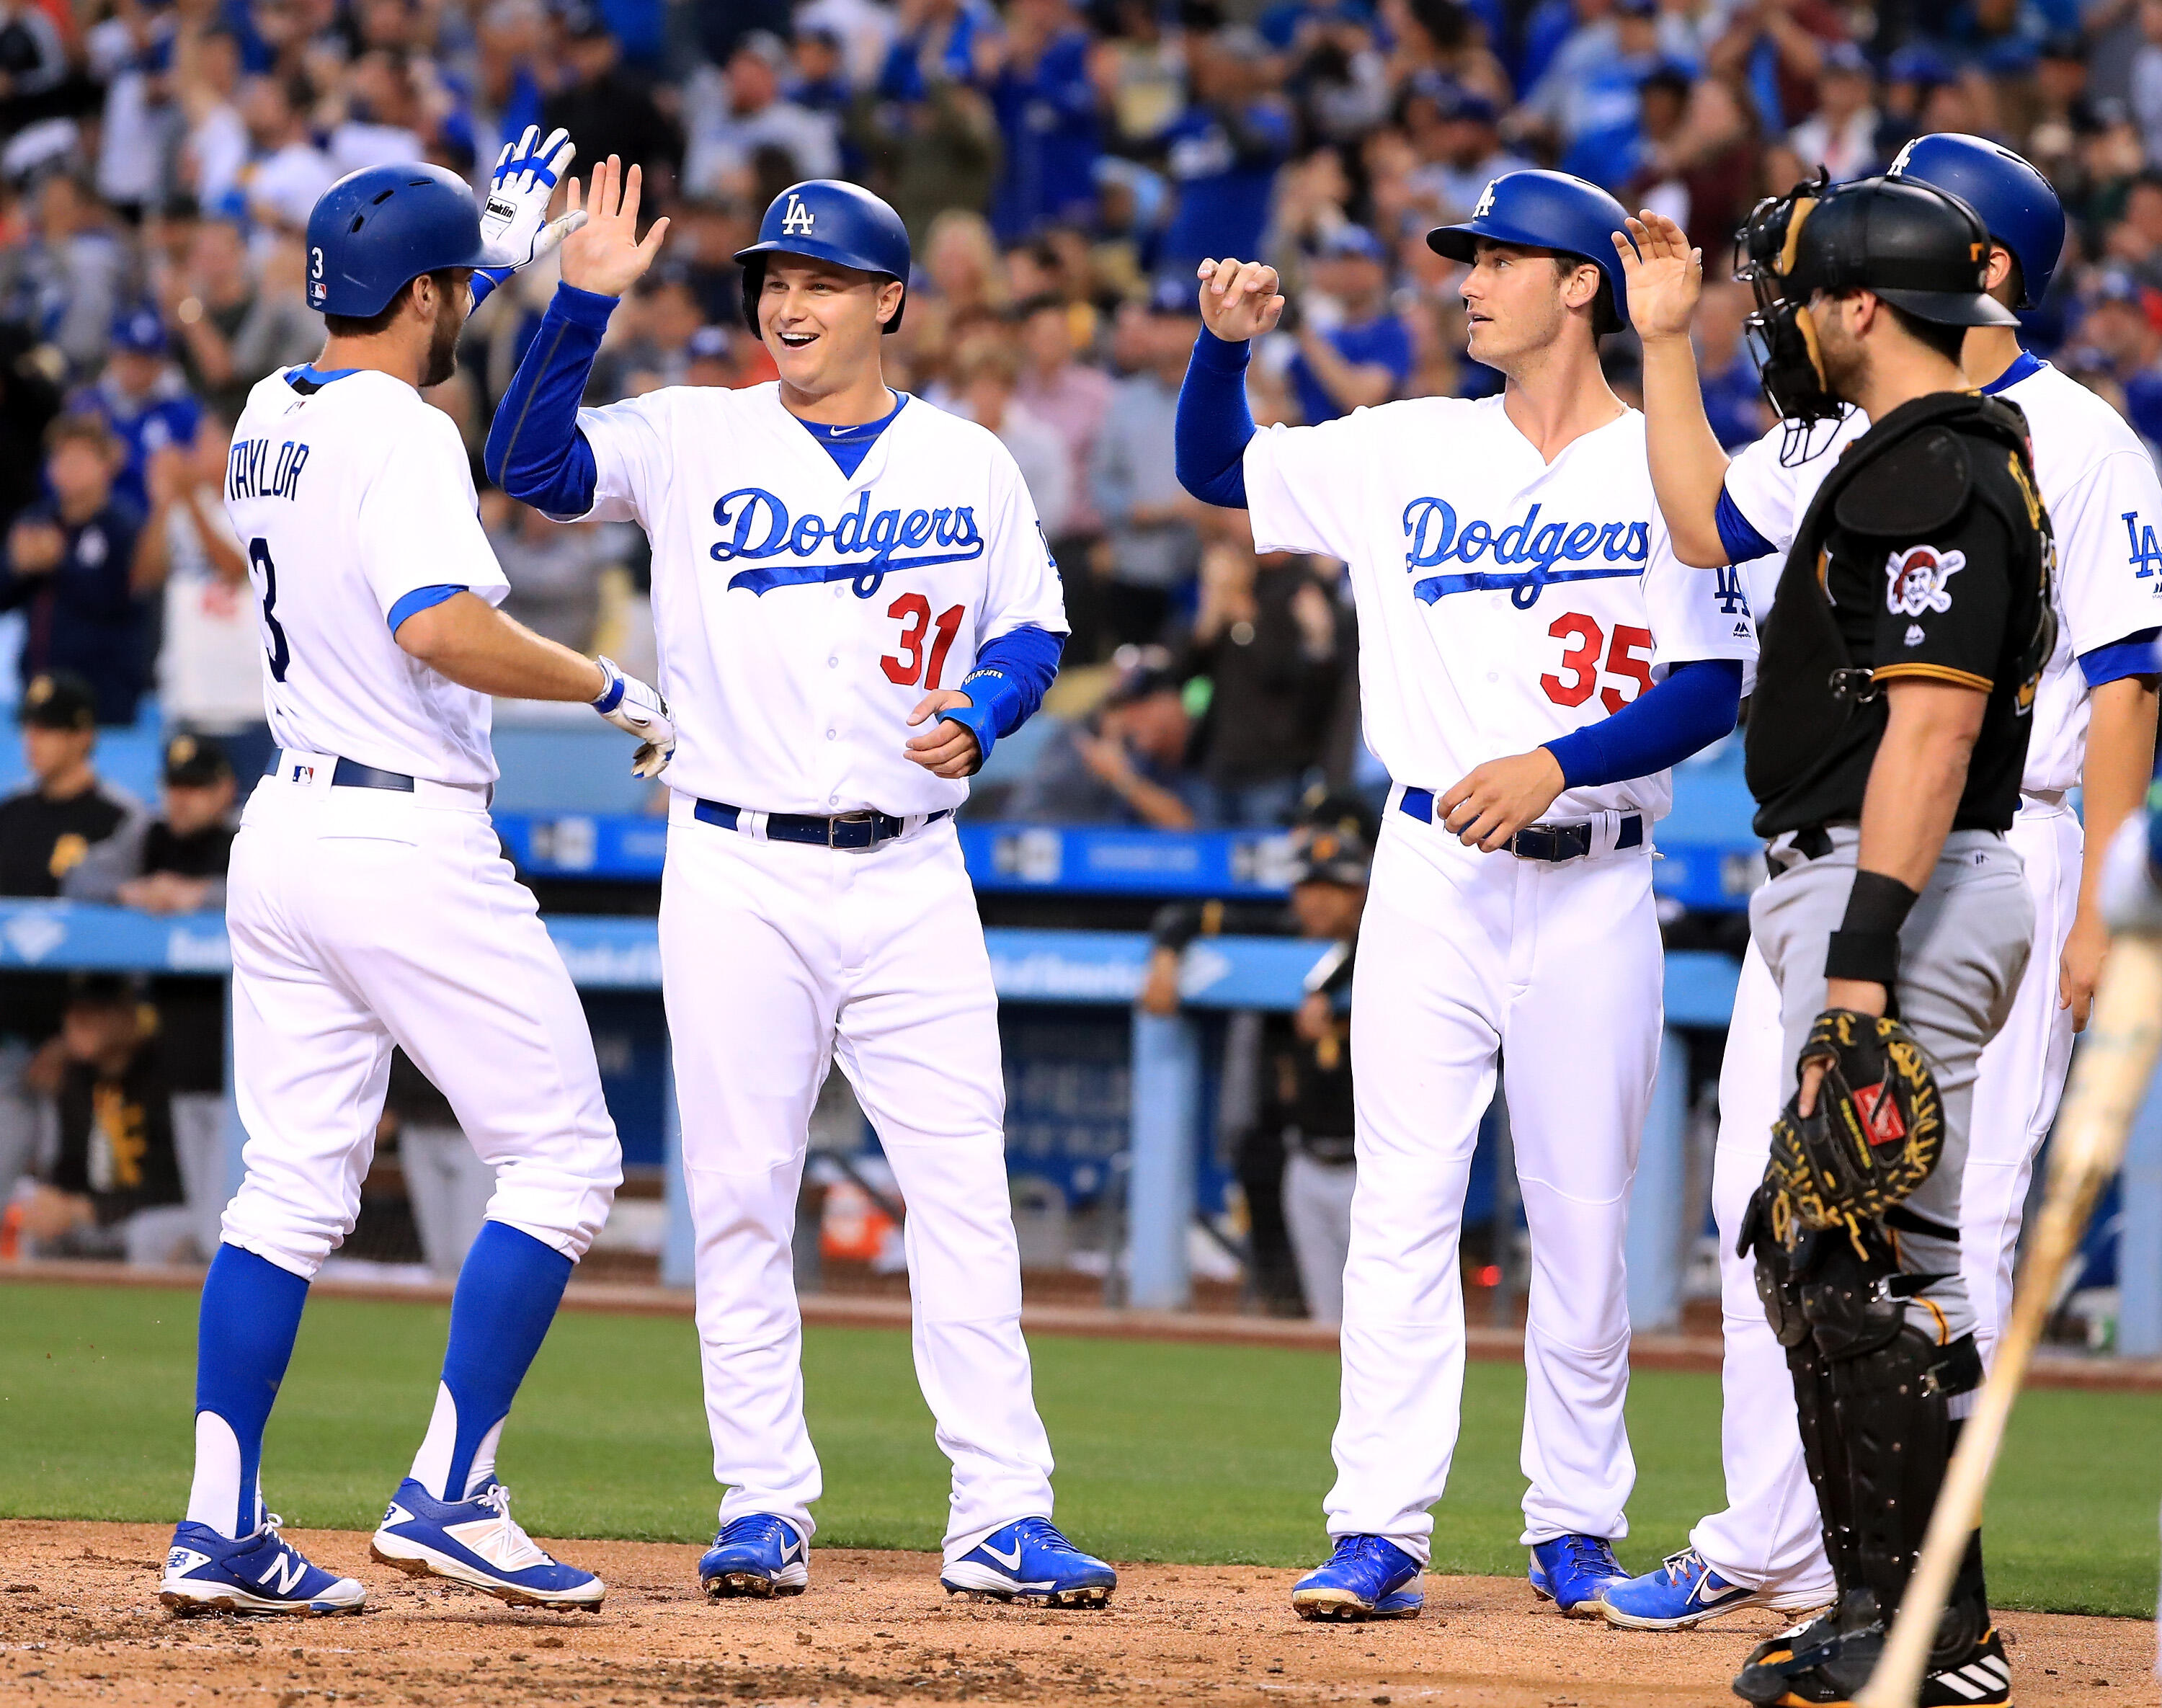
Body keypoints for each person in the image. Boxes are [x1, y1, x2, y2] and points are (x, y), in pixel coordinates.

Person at [486, 168, 1116, 1608]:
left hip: (910, 869)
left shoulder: (969, 462)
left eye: (820, 283)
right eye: (772, 281)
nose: (787, 303)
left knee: (962, 1190)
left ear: (888, 301)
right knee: (741, 1195)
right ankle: (763, 1501)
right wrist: (581, 299)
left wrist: (994, 707)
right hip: (737, 864)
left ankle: (1003, 1513)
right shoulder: (695, 433)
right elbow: (532, 469)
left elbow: (1033, 630)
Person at [1603, 140, 2162, 1676]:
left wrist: (2105, 905)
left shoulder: (2039, 439)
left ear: (1964, 264)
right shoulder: (1869, 427)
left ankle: (1923, 1614)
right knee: (1797, 1229)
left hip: (1963, 850)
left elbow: (2120, 681)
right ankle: (1820, 1565)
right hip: (1857, 865)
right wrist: (1664, 349)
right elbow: (1705, 521)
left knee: (1918, 1239)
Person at [1173, 168, 1754, 1623]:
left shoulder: (1663, 461)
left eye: (1502, 259)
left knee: (1582, 1215)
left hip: (1595, 879)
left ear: (1584, 285)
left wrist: (1561, 762)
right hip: (1429, 866)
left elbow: (1710, 687)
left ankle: (1574, 1527)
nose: (1468, 279)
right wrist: (1223, 348)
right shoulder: (1408, 446)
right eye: (1467, 258)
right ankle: (1378, 1528)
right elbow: (1212, 472)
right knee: (1405, 1206)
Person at [157, 149, 675, 1619]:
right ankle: (450, 1491)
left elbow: (378, 362)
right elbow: (441, 626)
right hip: (405, 838)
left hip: (288, 835)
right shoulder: (410, 437)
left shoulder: (273, 404)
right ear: (430, 294)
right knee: (567, 1159)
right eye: (458, 288)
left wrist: (483, 264)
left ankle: (220, 1523)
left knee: (286, 1190)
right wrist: (607, 685)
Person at [17, 974, 190, 1266]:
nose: (78, 1022)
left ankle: (151, 1314)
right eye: (74, 1013)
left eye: (94, 1013)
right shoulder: (74, 1080)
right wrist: (54, 1200)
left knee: (146, 1234)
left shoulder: (163, 1078)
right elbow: (67, 1168)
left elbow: (172, 1187)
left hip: (160, 1213)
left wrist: (91, 1209)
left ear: (126, 1017)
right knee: (35, 1221)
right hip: (94, 1215)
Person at [0, 414, 151, 726]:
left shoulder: (125, 526)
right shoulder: (36, 520)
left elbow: (123, 601)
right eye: (60, 458)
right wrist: (15, 568)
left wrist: (62, 563)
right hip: (41, 694)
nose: (67, 469)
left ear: (105, 464)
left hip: (106, 699)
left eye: (78, 460)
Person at [1010, 647, 1203, 827]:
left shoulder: (1154, 757)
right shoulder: (1078, 740)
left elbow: (1187, 826)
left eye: (1138, 705)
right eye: (1120, 705)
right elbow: (1034, 824)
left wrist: (1122, 778)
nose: (1132, 715)